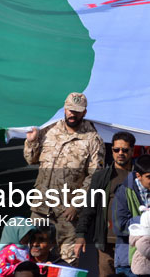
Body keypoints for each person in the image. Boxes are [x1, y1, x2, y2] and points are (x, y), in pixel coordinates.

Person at [22, 92, 105, 265]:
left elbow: (95, 176)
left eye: (77, 111)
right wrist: (31, 142)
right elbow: (31, 159)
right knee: (36, 259)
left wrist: (76, 204)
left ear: (84, 113)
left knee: (67, 262)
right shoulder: (49, 130)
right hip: (41, 209)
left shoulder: (92, 139)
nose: (72, 114)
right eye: (70, 110)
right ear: (64, 109)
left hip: (67, 214)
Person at [73, 131, 136, 276]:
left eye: (125, 150)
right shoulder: (101, 177)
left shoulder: (139, 175)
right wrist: (80, 235)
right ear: (111, 150)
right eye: (116, 150)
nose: (120, 153)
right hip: (106, 242)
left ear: (132, 151)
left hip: (132, 243)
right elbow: (89, 207)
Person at [112, 154, 150, 274]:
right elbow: (119, 226)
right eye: (149, 177)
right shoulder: (124, 191)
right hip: (130, 262)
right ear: (138, 176)